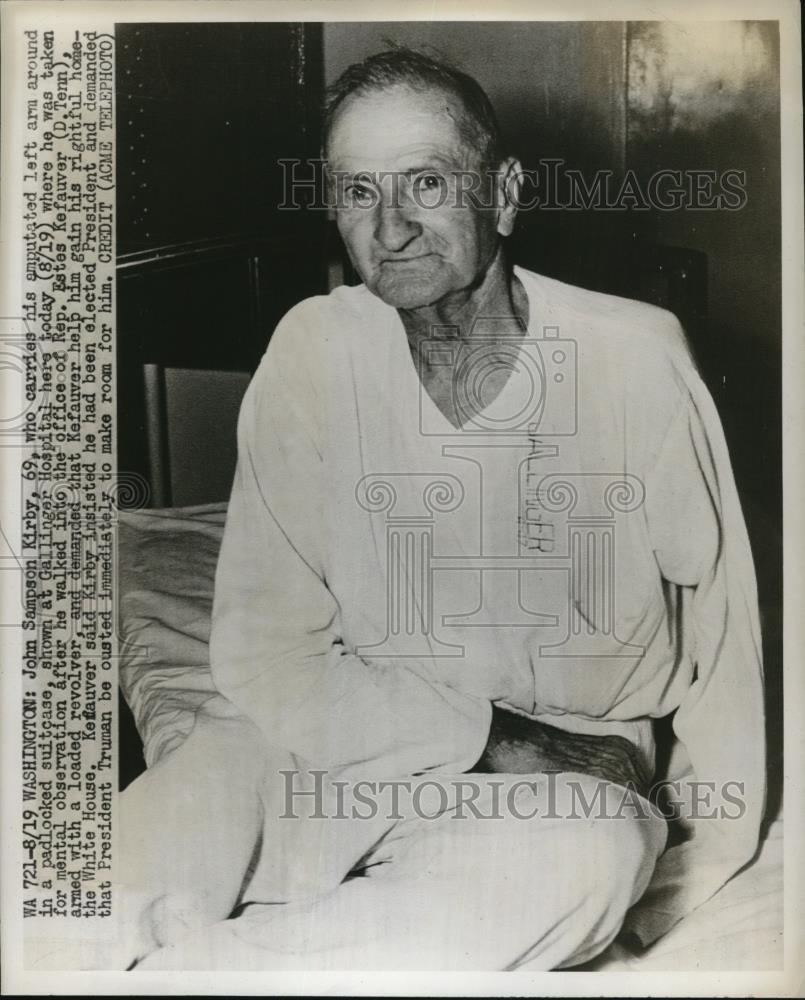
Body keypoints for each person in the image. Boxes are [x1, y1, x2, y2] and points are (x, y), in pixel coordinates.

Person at [112, 48, 765, 971]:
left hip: (573, 770)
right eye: (355, 192)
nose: (390, 229)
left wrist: (679, 877)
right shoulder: (311, 353)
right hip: (355, 725)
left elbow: (721, 651)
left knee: (589, 858)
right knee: (166, 819)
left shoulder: (635, 362)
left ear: (501, 194)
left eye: (425, 181)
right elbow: (266, 657)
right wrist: (495, 741)